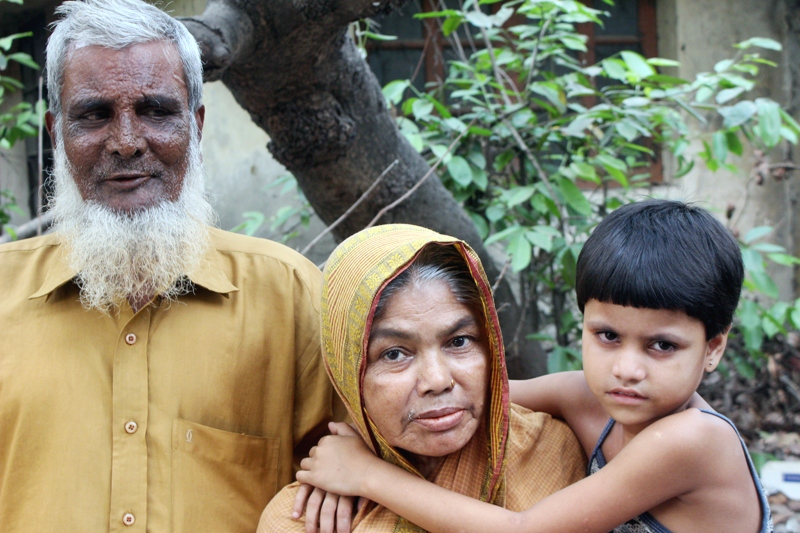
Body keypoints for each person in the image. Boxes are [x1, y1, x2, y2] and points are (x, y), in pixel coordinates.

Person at [0, 1, 341, 531]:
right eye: (94, 115)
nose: (128, 142)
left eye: (157, 110)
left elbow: (359, 478)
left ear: (196, 125)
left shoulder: (291, 296)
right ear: (56, 133)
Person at [296, 200, 774, 533]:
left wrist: (367, 476)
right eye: (608, 336)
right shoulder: (584, 396)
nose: (627, 368)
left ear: (713, 348)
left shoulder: (692, 440)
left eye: (662, 346)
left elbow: (523, 529)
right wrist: (370, 430)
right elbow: (467, 399)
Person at [257, 224, 586, 533]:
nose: (438, 380)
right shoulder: (304, 519)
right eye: (395, 354)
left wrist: (370, 477)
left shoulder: (551, 452)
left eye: (459, 342)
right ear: (347, 374)